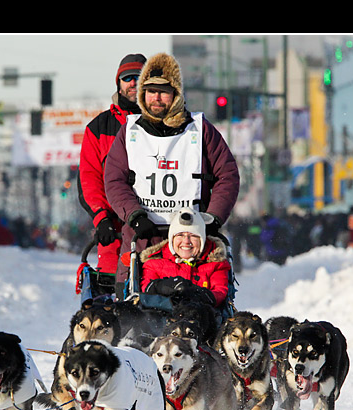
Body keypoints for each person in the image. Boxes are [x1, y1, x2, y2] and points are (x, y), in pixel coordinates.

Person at [104, 52, 240, 296]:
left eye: (164, 91)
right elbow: (114, 180)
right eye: (150, 91)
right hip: (144, 236)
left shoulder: (200, 130)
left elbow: (227, 174)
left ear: (176, 95)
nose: (156, 98)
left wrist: (213, 218)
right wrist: (134, 216)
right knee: (135, 307)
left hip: (194, 238)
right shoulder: (130, 132)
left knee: (203, 302)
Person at [77, 53, 146, 279]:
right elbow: (90, 179)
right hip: (115, 228)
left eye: (139, 76)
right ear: (118, 83)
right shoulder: (98, 128)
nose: (133, 83)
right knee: (111, 291)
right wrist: (101, 218)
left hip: (158, 226)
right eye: (127, 78)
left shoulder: (165, 123)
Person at [140, 208, 232, 308]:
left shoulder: (216, 264)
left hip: (202, 315)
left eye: (193, 236)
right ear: (172, 239)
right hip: (162, 316)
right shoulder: (154, 262)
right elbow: (146, 290)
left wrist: (197, 294)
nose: (186, 241)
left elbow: (219, 293)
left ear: (202, 240)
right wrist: (163, 286)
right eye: (180, 235)